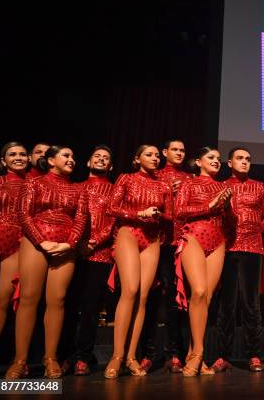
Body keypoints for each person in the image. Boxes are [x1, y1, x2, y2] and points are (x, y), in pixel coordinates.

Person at [5, 145, 88, 379]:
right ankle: (20, 360)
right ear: (51, 160)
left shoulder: (78, 189)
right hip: (36, 242)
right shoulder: (34, 183)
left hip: (64, 245)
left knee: (57, 300)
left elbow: (81, 218)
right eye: (66, 156)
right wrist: (41, 242)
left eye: (73, 156)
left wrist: (69, 244)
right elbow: (24, 214)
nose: (72, 160)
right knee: (29, 299)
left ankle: (50, 357)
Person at [103, 145, 173, 379]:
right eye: (149, 155)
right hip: (129, 233)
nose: (154, 158)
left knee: (143, 296)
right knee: (130, 290)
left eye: (156, 155)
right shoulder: (126, 178)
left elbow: (170, 216)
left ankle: (131, 357)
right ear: (137, 159)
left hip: (152, 238)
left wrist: (157, 215)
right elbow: (112, 207)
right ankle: (117, 356)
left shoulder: (163, 184)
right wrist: (139, 214)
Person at [212, 147, 264, 373]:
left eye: (248, 159)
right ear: (229, 163)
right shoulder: (220, 187)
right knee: (226, 304)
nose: (244, 162)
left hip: (252, 249)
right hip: (227, 248)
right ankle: (223, 355)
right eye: (240, 158)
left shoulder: (261, 187)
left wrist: (253, 231)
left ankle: (254, 354)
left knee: (251, 304)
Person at [174, 146, 232, 377]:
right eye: (211, 158)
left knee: (206, 299)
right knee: (197, 292)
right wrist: (209, 205)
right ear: (198, 162)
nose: (217, 161)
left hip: (218, 241)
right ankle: (199, 352)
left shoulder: (223, 187)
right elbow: (179, 211)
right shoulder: (189, 183)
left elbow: (229, 222)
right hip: (194, 236)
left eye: (218, 159)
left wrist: (226, 207)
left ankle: (194, 355)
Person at [140, 139, 193, 373]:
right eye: (175, 150)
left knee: (178, 300)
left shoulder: (191, 179)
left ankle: (176, 354)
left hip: (182, 244)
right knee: (150, 298)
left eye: (182, 150)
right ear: (164, 152)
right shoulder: (155, 176)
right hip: (156, 242)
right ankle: (148, 353)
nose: (179, 153)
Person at [66, 145, 116, 375]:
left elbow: (114, 220)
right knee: (67, 304)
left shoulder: (115, 190)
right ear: (88, 162)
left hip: (101, 253)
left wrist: (94, 242)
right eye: (97, 156)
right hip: (72, 252)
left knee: (91, 307)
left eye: (106, 158)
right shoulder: (75, 188)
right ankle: (63, 354)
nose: (101, 159)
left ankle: (83, 357)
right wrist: (77, 244)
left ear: (111, 166)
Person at [0, 142, 28, 378]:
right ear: (3, 161)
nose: (19, 157)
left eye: (22, 154)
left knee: (2, 303)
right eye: (12, 154)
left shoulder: (34, 184)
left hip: (18, 243)